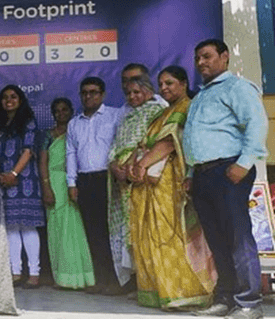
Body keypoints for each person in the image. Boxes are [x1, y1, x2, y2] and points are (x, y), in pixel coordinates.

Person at [183, 39, 268, 319]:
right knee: (217, 240)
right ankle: (225, 298)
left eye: (207, 56)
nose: (201, 63)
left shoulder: (237, 87)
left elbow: (257, 123)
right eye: (197, 58)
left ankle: (248, 303)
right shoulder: (201, 95)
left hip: (229, 171)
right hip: (204, 174)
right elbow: (195, 138)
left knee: (237, 238)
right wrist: (190, 173)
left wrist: (243, 164)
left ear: (225, 57)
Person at [128, 65, 214, 309]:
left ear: (184, 84)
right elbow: (146, 143)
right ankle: (158, 290)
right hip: (150, 184)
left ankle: (183, 290)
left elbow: (167, 142)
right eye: (161, 84)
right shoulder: (164, 113)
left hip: (170, 184)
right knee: (152, 235)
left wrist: (143, 164)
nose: (164, 88)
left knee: (170, 233)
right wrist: (135, 165)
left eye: (170, 83)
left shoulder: (186, 108)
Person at [66, 76, 124, 295]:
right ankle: (101, 279)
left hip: (109, 179)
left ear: (103, 94)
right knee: (94, 232)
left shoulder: (115, 115)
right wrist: (72, 183)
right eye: (84, 93)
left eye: (93, 92)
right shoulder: (74, 123)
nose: (88, 96)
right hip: (85, 181)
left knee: (113, 231)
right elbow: (70, 154)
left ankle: (119, 282)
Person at [106, 75, 164, 291]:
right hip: (121, 182)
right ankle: (137, 283)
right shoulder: (126, 116)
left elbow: (151, 144)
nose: (132, 97)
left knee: (143, 229)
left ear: (149, 92)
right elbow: (115, 145)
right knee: (126, 231)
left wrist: (132, 163)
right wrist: (114, 165)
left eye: (137, 92)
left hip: (143, 177)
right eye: (128, 93)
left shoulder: (157, 111)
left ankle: (153, 284)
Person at [0, 85, 45, 288]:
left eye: (13, 97)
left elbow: (28, 151)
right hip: (2, 182)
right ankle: (15, 273)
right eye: (4, 97)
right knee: (10, 228)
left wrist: (13, 174)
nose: (8, 100)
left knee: (27, 226)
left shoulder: (28, 122)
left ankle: (34, 274)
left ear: (20, 100)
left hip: (24, 181)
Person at [40, 98, 94, 289]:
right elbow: (42, 162)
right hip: (54, 183)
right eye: (57, 111)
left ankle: (82, 276)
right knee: (58, 230)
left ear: (71, 111)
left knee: (77, 229)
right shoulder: (48, 135)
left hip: (74, 182)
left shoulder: (77, 129)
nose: (60, 114)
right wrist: (46, 187)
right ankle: (63, 277)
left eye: (64, 110)